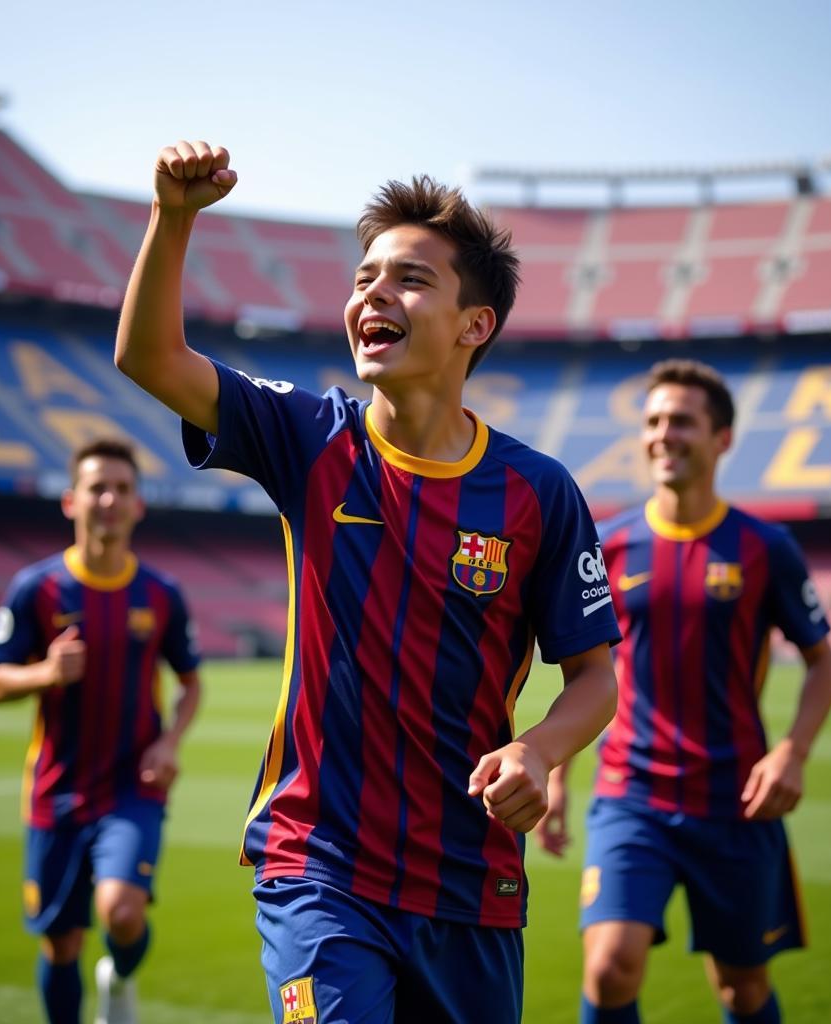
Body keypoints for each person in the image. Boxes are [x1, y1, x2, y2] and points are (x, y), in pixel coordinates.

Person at [114, 140, 620, 1024]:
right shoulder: (311, 436)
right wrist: (173, 216)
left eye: (411, 279)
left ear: (475, 325)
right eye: (363, 277)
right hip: (319, 864)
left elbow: (595, 679)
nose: (373, 294)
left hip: (468, 879)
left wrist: (538, 750)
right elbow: (150, 359)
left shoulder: (537, 492)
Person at [538, 359, 831, 1024]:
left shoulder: (766, 547)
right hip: (632, 795)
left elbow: (823, 663)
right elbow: (587, 673)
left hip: (735, 802)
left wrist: (793, 750)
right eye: (652, 421)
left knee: (741, 988)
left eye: (681, 421)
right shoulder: (608, 545)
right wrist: (559, 773)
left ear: (722, 438)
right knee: (610, 966)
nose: (662, 435)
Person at [0, 438, 202, 1024]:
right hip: (56, 791)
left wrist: (169, 741)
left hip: (133, 786)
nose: (109, 498)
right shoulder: (37, 588)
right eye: (97, 487)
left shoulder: (161, 594)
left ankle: (121, 976)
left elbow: (191, 682)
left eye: (123, 489)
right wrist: (46, 672)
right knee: (61, 944)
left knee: (122, 913)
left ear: (138, 506)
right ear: (70, 501)